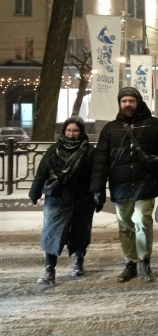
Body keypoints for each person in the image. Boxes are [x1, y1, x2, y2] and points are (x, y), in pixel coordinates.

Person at [91, 86, 158, 283]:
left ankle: (144, 261)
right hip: (120, 186)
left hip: (146, 185)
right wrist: (97, 188)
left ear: (138, 102)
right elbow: (100, 162)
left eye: (131, 101)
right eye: (124, 101)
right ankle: (130, 262)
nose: (127, 104)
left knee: (142, 222)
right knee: (125, 226)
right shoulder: (110, 129)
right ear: (119, 104)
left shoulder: (156, 126)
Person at [28, 117, 96, 286]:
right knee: (52, 233)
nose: (71, 134)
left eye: (75, 131)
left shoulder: (89, 151)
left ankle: (78, 263)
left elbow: (96, 176)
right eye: (68, 130)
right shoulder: (54, 150)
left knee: (80, 232)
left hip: (82, 199)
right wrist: (35, 191)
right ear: (64, 131)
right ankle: (49, 270)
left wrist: (97, 193)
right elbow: (42, 172)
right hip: (57, 198)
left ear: (81, 132)